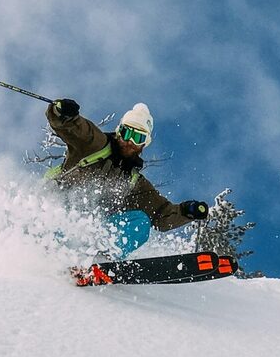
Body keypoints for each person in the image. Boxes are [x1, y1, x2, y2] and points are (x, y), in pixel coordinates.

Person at [44, 98, 209, 256]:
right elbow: (76, 128)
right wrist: (62, 112)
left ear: (144, 144)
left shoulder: (134, 182)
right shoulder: (95, 145)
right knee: (68, 207)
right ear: (118, 132)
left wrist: (185, 211)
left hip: (89, 233)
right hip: (58, 214)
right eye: (126, 132)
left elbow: (160, 214)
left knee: (140, 221)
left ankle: (103, 257)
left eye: (137, 137)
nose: (129, 141)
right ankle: (54, 248)